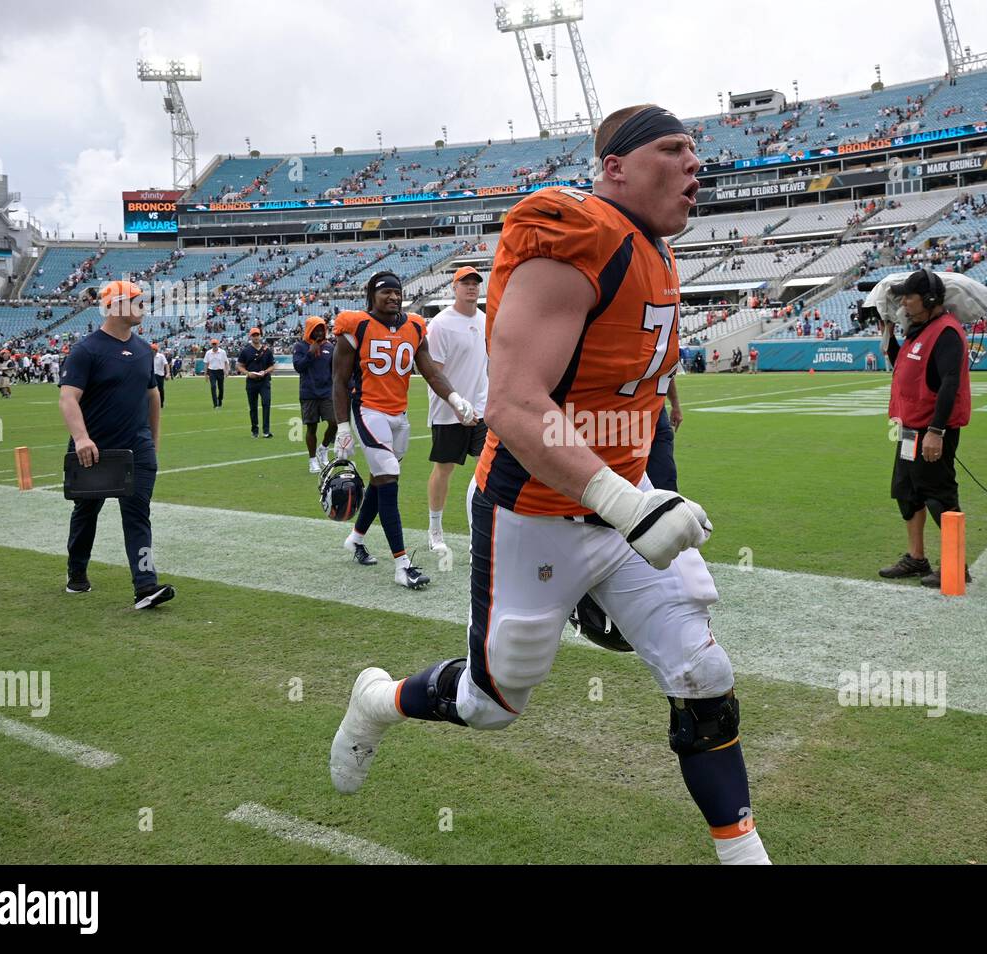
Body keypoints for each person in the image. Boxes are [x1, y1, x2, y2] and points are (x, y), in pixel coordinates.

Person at [328, 104, 769, 865]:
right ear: (616, 167)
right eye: (674, 150)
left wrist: (652, 486)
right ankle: (376, 701)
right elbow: (513, 404)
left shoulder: (657, 253)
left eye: (696, 152)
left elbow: (631, 401)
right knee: (491, 705)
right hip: (531, 512)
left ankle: (744, 856)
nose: (696, 165)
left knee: (704, 674)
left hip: (617, 511)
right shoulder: (574, 235)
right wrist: (629, 503)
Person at [331, 270, 473, 587]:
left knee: (381, 481)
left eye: (397, 292)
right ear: (372, 295)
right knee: (389, 480)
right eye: (386, 292)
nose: (394, 297)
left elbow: (432, 373)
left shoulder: (414, 326)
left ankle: (355, 539)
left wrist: (455, 399)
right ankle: (402, 565)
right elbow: (339, 382)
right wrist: (343, 427)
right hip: (369, 412)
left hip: (399, 415)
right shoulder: (356, 326)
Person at [58, 281, 175, 609]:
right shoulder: (87, 350)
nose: (143, 306)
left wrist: (152, 442)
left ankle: (145, 586)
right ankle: (76, 572)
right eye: (137, 301)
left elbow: (153, 396)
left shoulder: (142, 350)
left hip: (136, 450)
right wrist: (81, 438)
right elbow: (68, 397)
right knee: (86, 512)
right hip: (94, 450)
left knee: (138, 514)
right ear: (117, 306)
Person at [878, 269, 973, 588]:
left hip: (931, 430)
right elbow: (900, 364)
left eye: (909, 295)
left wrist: (937, 431)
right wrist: (888, 333)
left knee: (939, 495)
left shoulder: (946, 331)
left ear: (930, 299)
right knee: (908, 492)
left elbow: (949, 383)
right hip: (909, 428)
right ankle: (916, 558)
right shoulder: (917, 330)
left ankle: (956, 566)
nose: (904, 300)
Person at [424, 266, 489, 554]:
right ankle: (435, 528)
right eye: (465, 283)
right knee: (444, 468)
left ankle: (484, 530)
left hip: (482, 409)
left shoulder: (486, 320)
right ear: (454, 287)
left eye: (475, 283)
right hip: (449, 410)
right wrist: (455, 402)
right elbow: (433, 372)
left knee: (490, 468)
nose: (471, 287)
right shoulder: (440, 324)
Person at [291, 316, 337, 473]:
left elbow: (334, 369)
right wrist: (310, 354)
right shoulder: (300, 346)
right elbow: (298, 367)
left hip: (327, 392)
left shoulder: (329, 347)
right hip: (309, 392)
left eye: (321, 329)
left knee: (334, 422)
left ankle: (323, 448)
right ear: (309, 329)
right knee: (312, 428)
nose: (319, 332)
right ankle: (312, 460)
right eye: (316, 329)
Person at [238, 328, 275, 438]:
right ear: (250, 337)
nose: (256, 337)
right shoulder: (246, 351)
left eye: (257, 335)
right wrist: (248, 373)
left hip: (264, 381)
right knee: (253, 407)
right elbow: (239, 366)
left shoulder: (267, 350)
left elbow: (272, 365)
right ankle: (255, 430)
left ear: (260, 336)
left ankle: (266, 431)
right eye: (254, 335)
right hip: (251, 382)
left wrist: (266, 371)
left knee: (266, 403)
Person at [204, 339, 228, 408]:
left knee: (221, 388)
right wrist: (205, 374)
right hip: (212, 371)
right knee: (213, 386)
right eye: (213, 344)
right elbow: (206, 364)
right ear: (211, 345)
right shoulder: (208, 353)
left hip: (220, 371)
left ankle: (220, 400)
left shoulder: (222, 352)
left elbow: (226, 362)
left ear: (218, 344)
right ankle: (215, 404)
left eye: (215, 344)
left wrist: (226, 371)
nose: (214, 345)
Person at [151, 344, 169, 408]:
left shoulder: (161, 356)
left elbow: (166, 365)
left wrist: (168, 373)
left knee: (160, 390)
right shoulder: (148, 357)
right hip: (151, 375)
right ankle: (152, 403)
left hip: (159, 375)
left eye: (153, 350)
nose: (151, 351)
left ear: (156, 350)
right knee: (150, 390)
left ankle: (161, 403)